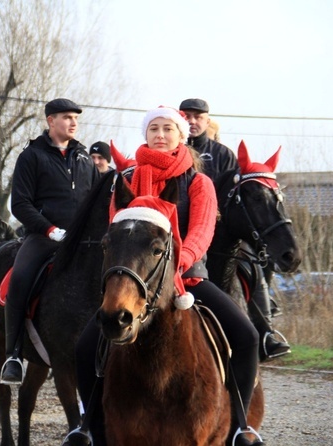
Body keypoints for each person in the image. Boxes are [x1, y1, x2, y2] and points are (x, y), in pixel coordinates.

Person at [75, 107, 264, 446]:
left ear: (181, 135)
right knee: (85, 347)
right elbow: (118, 232)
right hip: (139, 280)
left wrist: (180, 263)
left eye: (167, 129)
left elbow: (203, 230)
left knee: (247, 336)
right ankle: (90, 429)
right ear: (145, 135)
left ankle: (239, 427)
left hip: (187, 277)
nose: (160, 135)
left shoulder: (198, 181)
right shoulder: (127, 179)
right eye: (153, 129)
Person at [180, 98, 289, 360]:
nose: (193, 121)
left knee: (251, 261)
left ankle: (266, 333)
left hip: (221, 228)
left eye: (199, 117)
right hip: (184, 230)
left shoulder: (223, 153)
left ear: (207, 120)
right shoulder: (177, 151)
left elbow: (233, 193)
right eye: (188, 116)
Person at [0, 98, 98, 385]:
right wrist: (50, 230)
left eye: (76, 118)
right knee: (19, 279)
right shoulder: (31, 156)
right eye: (67, 117)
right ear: (50, 121)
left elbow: (94, 202)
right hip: (44, 238)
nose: (73, 122)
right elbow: (20, 204)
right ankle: (13, 355)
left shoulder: (84, 158)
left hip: (83, 241)